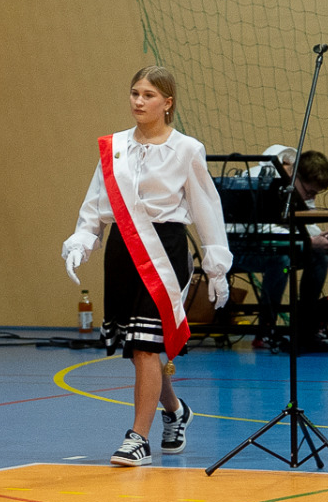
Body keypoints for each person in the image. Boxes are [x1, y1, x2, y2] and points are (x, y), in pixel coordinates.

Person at [62, 66, 232, 468]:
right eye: (135, 93)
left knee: (144, 345)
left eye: (148, 95)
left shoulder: (187, 149)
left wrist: (216, 264)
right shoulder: (114, 146)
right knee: (144, 346)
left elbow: (207, 207)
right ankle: (174, 410)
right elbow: (96, 200)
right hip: (122, 250)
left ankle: (137, 436)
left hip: (165, 251)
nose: (139, 101)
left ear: (167, 103)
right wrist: (84, 237)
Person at [256, 149, 328, 346]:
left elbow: (304, 221)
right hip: (249, 248)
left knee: (320, 256)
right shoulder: (258, 179)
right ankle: (265, 329)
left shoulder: (297, 185)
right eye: (309, 192)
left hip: (282, 245)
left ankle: (306, 325)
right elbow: (264, 229)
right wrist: (309, 241)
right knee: (283, 259)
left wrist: (319, 239)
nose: (309, 198)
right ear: (293, 176)